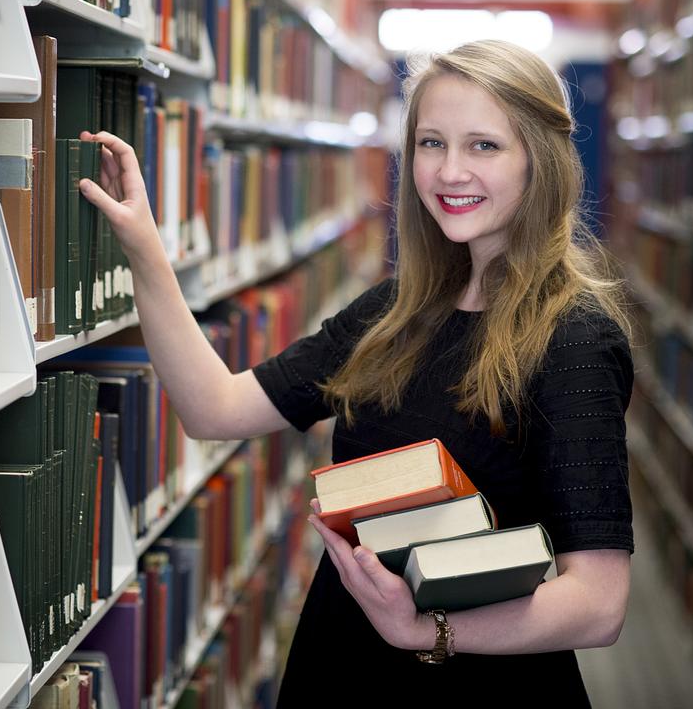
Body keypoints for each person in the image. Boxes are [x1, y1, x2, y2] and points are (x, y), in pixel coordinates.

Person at [77, 38, 634, 705]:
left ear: (540, 160)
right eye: (431, 143)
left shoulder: (574, 339)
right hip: (341, 660)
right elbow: (215, 408)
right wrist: (146, 250)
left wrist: (426, 626)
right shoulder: (395, 312)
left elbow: (599, 603)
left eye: (484, 146)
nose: (450, 171)